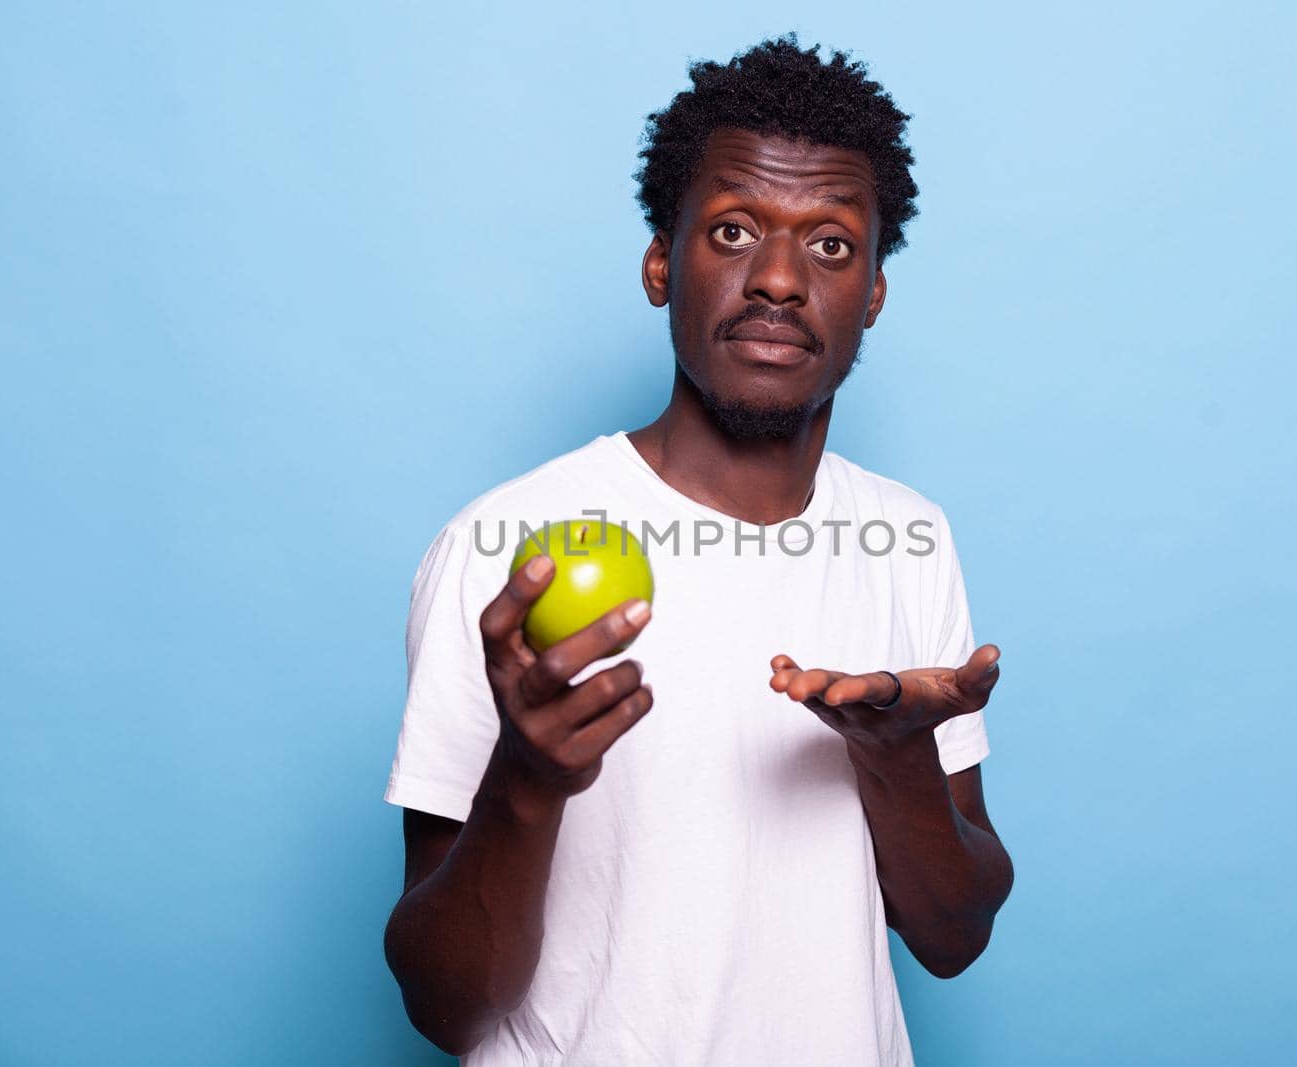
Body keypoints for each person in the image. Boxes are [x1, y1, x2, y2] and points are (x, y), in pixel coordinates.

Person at [382, 33, 1013, 1065]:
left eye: (831, 244)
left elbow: (951, 935)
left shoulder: (909, 537)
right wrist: (527, 780)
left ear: (875, 294)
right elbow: (445, 1006)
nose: (776, 278)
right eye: (730, 229)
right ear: (659, 262)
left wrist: (897, 760)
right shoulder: (509, 550)